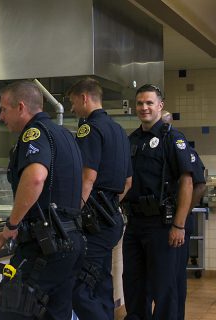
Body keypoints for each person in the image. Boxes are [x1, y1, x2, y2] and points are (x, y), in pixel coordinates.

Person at [0, 80, 85, 319]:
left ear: (21, 107)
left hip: (43, 247)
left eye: (4, 109)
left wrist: (11, 226)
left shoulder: (34, 134)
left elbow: (36, 178)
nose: (1, 116)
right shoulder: (65, 134)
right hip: (70, 241)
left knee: (15, 310)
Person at [122, 84, 194, 320]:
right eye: (140, 103)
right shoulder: (132, 140)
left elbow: (187, 181)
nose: (144, 107)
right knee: (134, 285)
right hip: (134, 224)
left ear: (160, 106)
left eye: (149, 103)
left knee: (165, 290)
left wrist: (179, 225)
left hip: (163, 226)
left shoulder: (172, 138)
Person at [68, 78, 132, 320]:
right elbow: (128, 183)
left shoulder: (89, 128)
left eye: (74, 102)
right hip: (111, 218)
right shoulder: (119, 131)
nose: (73, 108)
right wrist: (109, 205)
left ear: (84, 98)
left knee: (82, 286)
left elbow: (87, 177)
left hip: (92, 219)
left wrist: (74, 215)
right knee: (101, 280)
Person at [161, 110, 207, 320]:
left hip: (177, 222)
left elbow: (199, 185)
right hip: (159, 222)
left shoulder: (180, 147)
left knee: (174, 277)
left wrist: (182, 216)